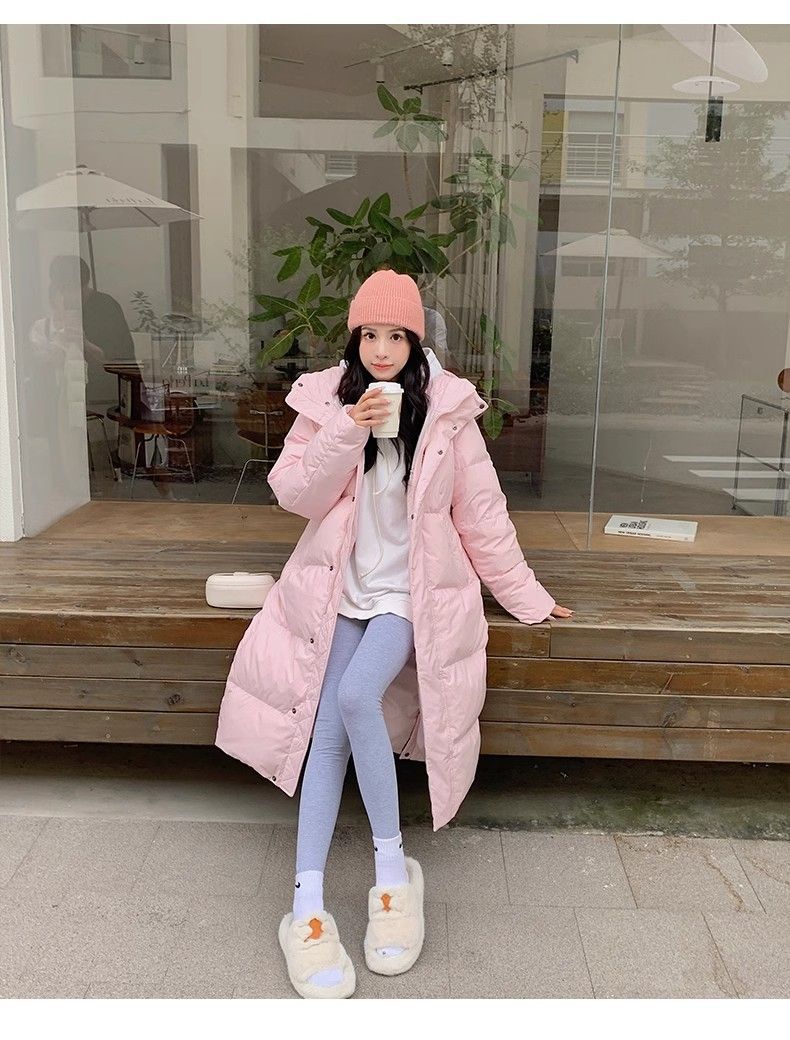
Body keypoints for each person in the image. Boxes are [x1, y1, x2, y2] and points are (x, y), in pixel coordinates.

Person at [214, 269, 573, 999]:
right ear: (354, 339)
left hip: (408, 597)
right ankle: (306, 905)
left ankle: (391, 873)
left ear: (415, 341)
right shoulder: (327, 401)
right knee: (326, 734)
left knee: (354, 698)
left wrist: (526, 596)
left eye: (397, 336)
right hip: (338, 594)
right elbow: (294, 495)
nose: (382, 349)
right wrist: (348, 430)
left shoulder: (447, 411)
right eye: (369, 335)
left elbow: (483, 516)